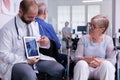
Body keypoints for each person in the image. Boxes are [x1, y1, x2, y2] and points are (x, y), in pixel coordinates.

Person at [0, 1, 64, 80]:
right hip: (17, 62)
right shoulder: (7, 29)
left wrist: (45, 42)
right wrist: (26, 60)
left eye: (34, 17)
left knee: (58, 69)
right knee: (30, 76)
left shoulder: (33, 23)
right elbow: (3, 54)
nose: (33, 19)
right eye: (30, 17)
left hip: (35, 59)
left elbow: (37, 42)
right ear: (20, 12)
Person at [73, 15, 116, 80]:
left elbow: (112, 60)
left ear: (102, 29)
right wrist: (85, 59)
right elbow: (76, 58)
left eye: (94, 26)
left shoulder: (108, 40)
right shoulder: (83, 39)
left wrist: (99, 62)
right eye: (90, 25)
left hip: (100, 70)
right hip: (86, 69)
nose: (90, 28)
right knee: (81, 63)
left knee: (108, 65)